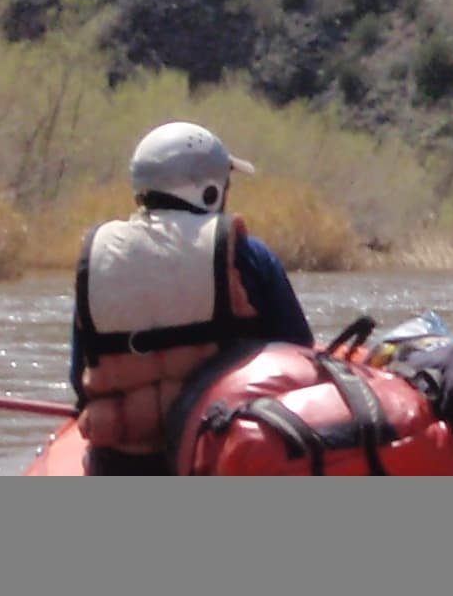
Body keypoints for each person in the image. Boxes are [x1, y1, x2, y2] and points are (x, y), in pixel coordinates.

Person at [68, 121, 313, 473]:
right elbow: (297, 353)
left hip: (123, 463)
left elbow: (81, 377)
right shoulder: (245, 253)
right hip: (223, 454)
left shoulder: (101, 259)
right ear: (209, 191)